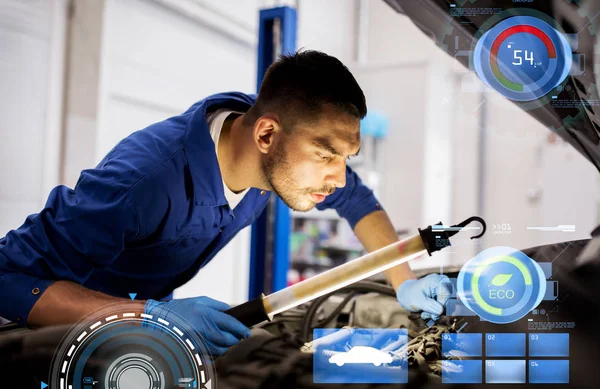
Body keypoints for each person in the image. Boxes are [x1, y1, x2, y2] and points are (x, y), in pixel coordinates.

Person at [0, 50, 452, 356]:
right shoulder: (142, 183)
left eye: (346, 157)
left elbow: (361, 203)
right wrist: (152, 315)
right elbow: (8, 281)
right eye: (326, 155)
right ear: (267, 135)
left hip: (133, 334)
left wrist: (402, 280)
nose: (338, 178)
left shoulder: (272, 155)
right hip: (43, 340)